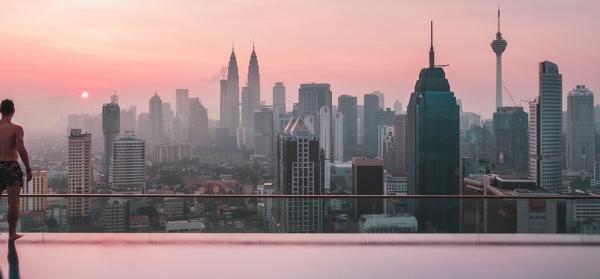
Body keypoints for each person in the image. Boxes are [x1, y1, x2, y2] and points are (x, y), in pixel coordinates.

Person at [0, 99, 31, 241]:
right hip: (12, 167)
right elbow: (21, 148)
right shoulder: (17, 128)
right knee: (13, 203)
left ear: (1, 111)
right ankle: (12, 234)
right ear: (13, 111)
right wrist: (28, 168)